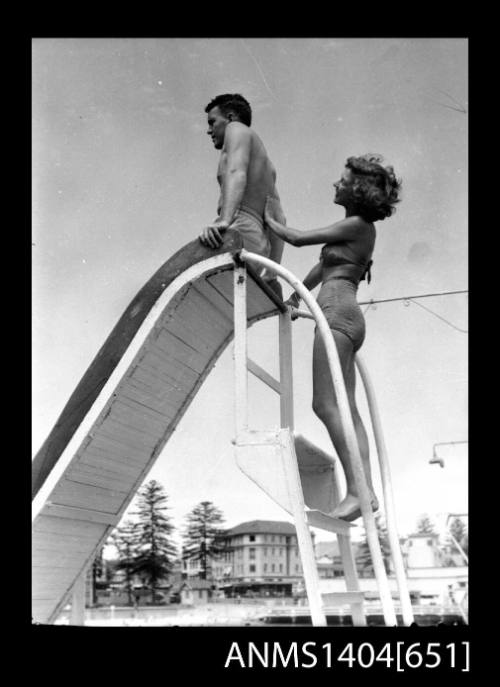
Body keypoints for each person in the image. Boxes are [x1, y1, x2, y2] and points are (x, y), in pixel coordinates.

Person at [264, 154, 402, 521]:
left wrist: (264, 218)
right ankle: (364, 490)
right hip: (345, 315)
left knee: (325, 405)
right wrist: (296, 294)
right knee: (346, 409)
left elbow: (295, 238)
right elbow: (325, 265)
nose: (336, 185)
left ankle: (360, 490)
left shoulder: (357, 225)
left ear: (357, 190)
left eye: (343, 180)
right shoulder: (355, 230)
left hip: (336, 314)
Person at [198, 93, 285, 288]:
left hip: (238, 227)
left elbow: (236, 172)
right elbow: (279, 218)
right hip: (257, 238)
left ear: (230, 118)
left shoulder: (236, 129)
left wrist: (225, 220)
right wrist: (272, 272)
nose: (209, 130)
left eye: (212, 122)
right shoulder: (266, 166)